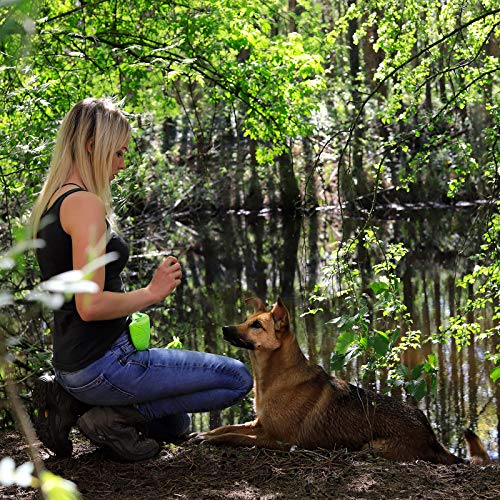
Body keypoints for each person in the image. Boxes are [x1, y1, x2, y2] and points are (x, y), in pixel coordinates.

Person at [30, 97, 253, 461]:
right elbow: (90, 305)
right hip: (103, 365)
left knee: (175, 424)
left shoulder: (53, 201)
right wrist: (152, 292)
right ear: (91, 147)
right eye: (117, 154)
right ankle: (107, 416)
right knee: (237, 379)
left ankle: (73, 402)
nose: (121, 164)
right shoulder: (85, 205)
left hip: (75, 363)